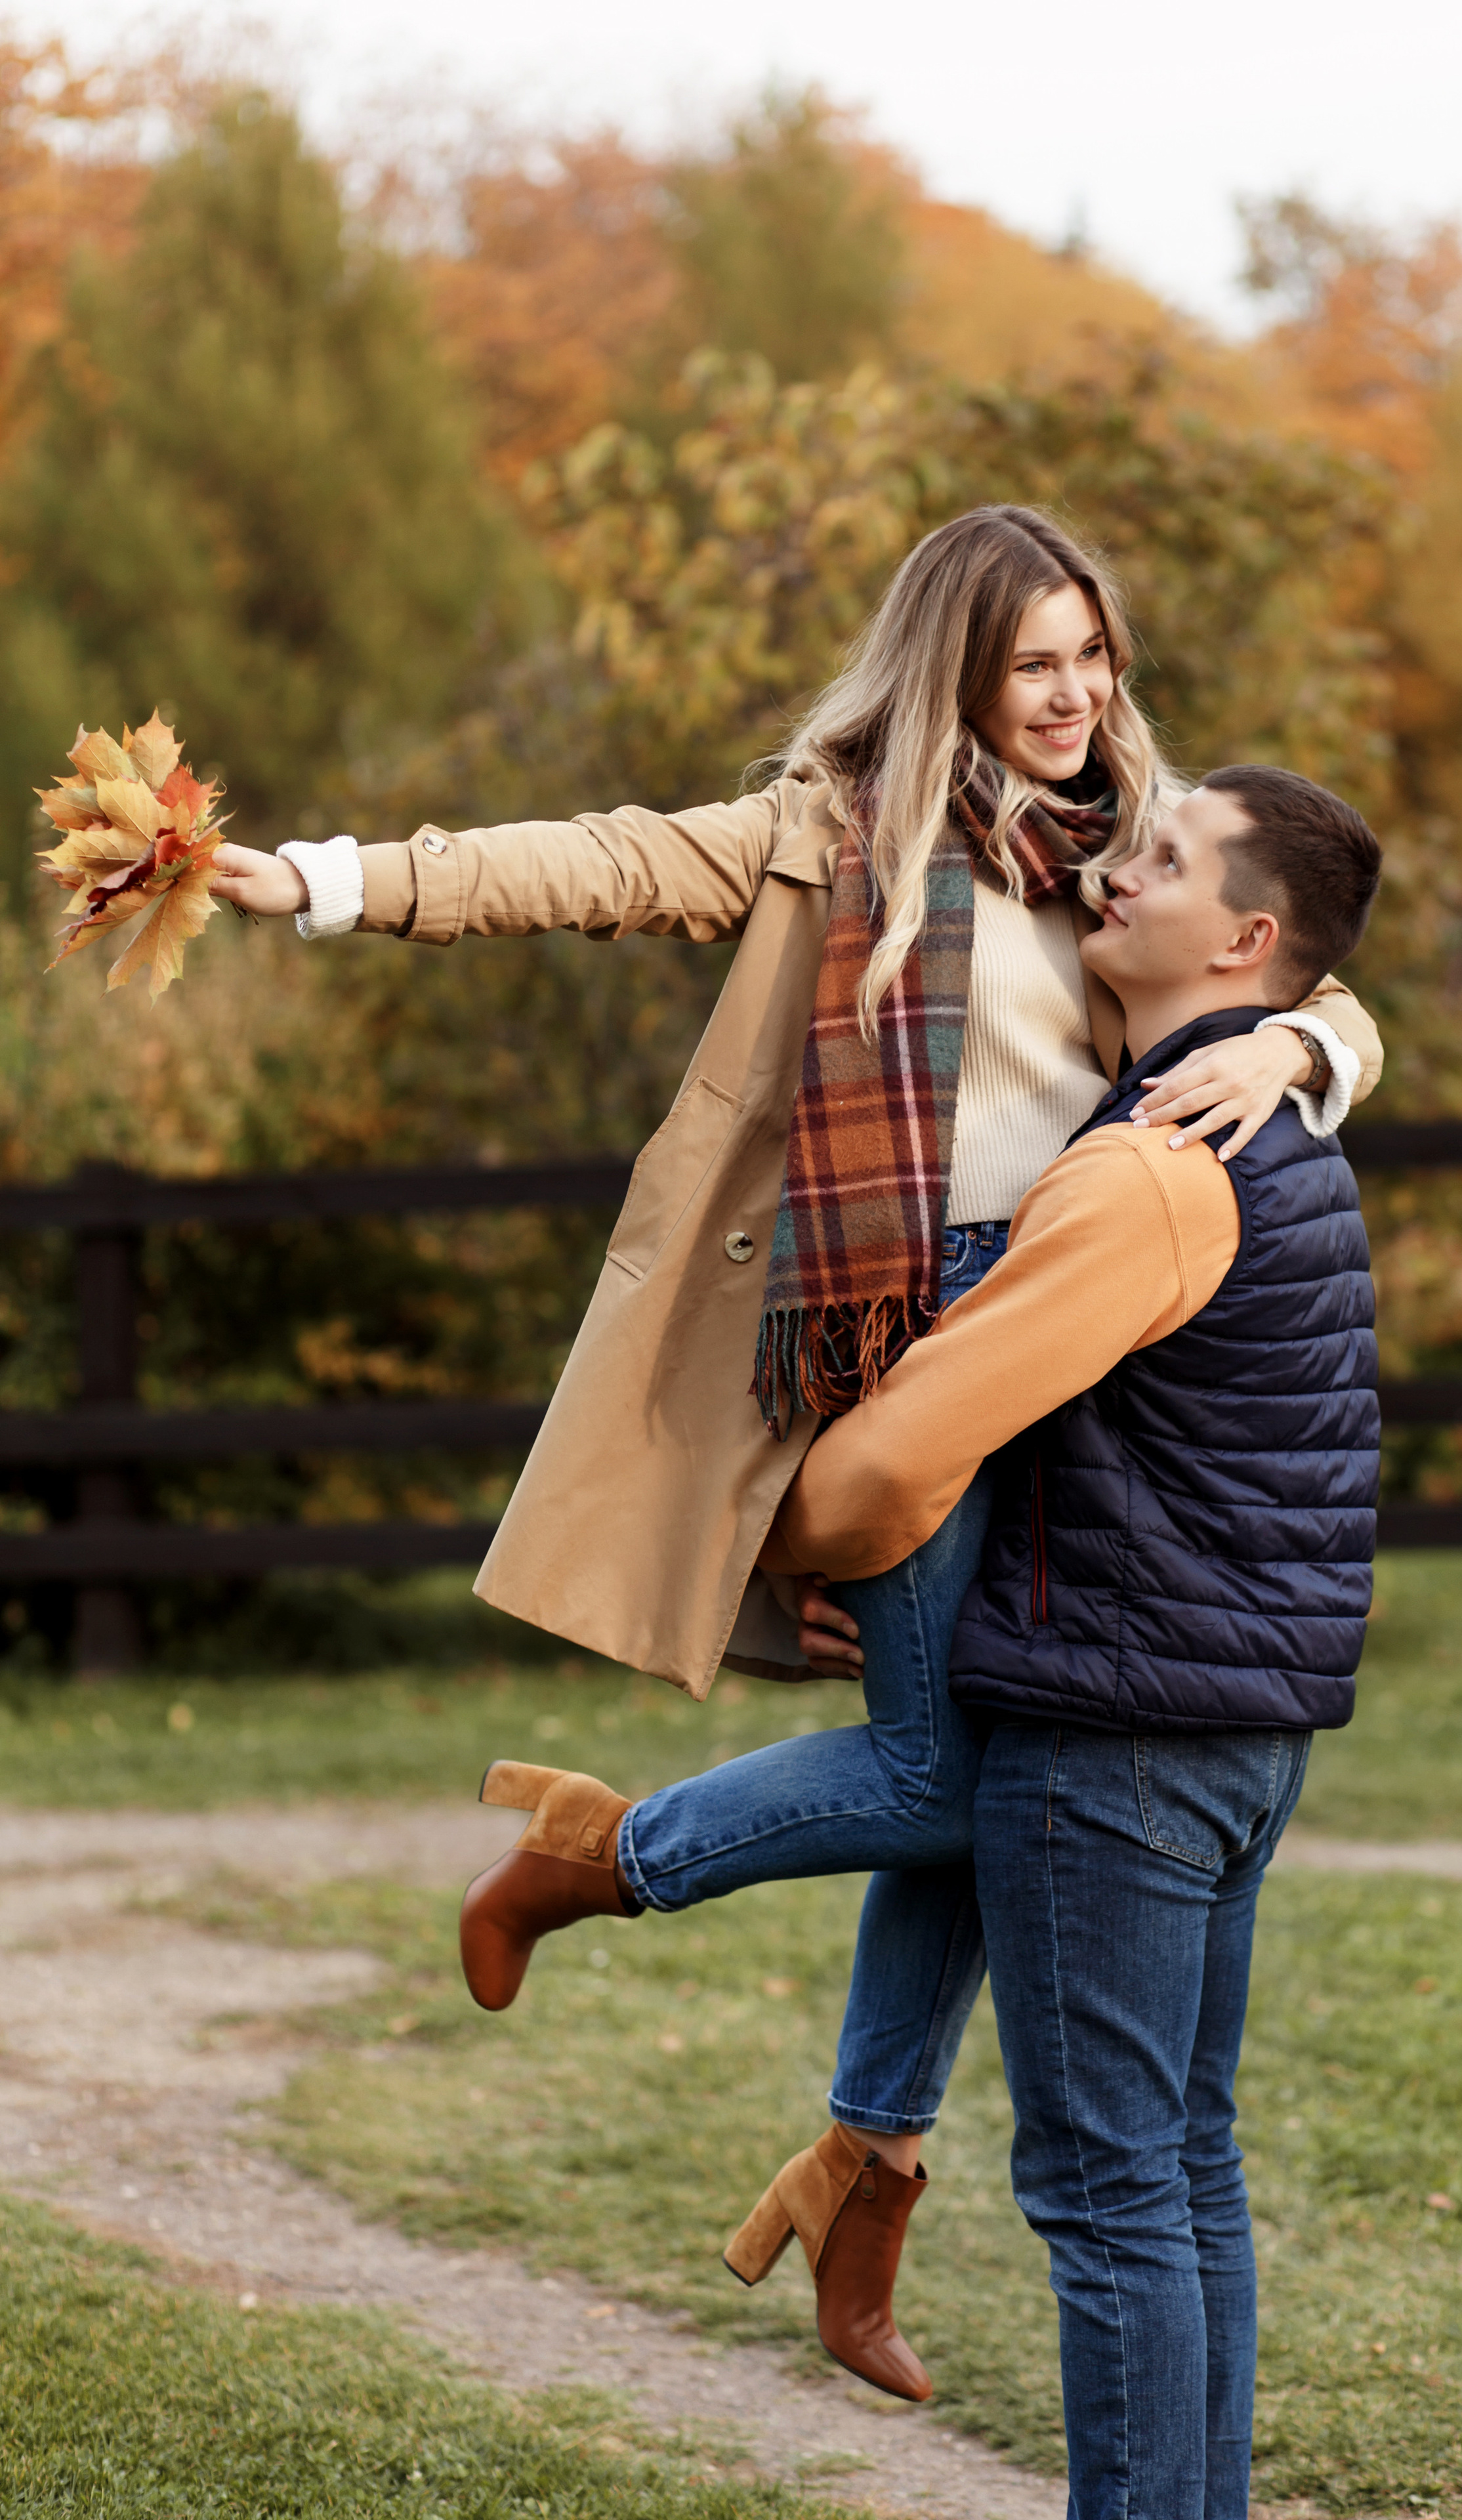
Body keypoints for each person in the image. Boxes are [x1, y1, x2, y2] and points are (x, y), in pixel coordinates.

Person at [209, 509, 1383, 2402]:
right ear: (958, 673)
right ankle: (620, 1869)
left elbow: (1304, 946)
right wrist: (325, 882)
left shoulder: (1133, 849)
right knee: (951, 1774)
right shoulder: (831, 839)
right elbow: (584, 866)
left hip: (1078, 1361)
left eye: (1096, 653)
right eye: (1036, 664)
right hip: (902, 1345)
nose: (1079, 695)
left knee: (999, 1761)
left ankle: (865, 2154)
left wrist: (1314, 1055)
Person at [762, 763, 1383, 2517]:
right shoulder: (1282, 1125)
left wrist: (753, 1527)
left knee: (1118, 2195)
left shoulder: (1149, 1169)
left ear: (1249, 940)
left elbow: (896, 1458)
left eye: (1170, 861)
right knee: (1182, 2171)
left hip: (1110, 1743)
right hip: (1236, 1737)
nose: (1124, 868)